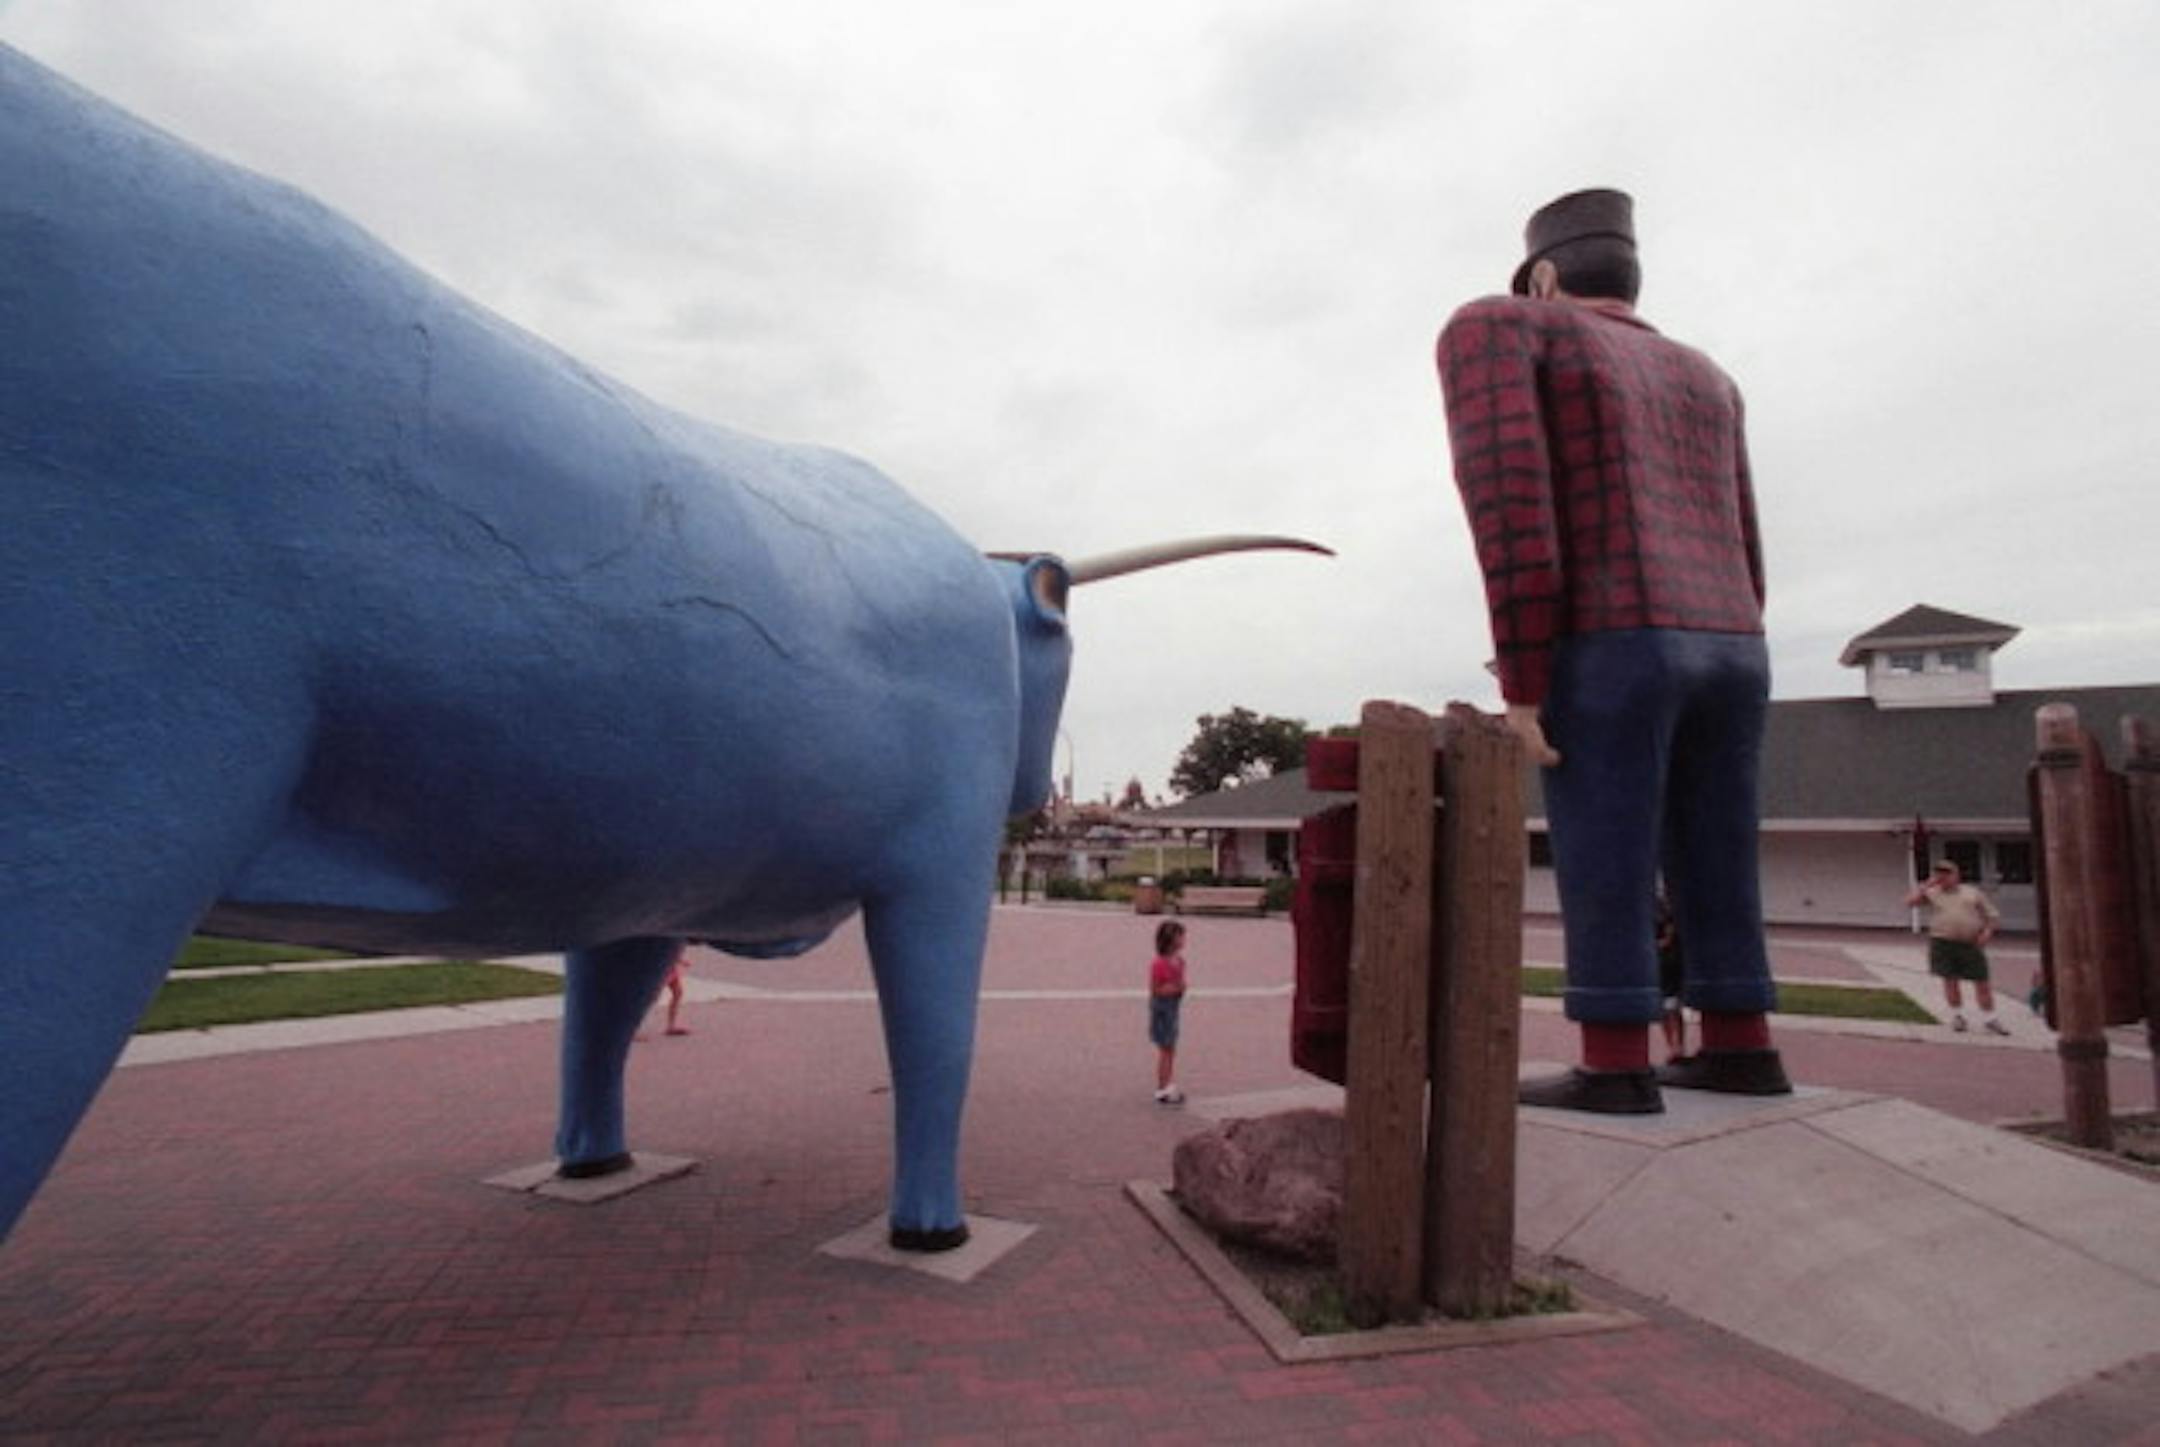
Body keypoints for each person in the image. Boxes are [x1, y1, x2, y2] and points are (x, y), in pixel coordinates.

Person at [1437, 188, 1791, 1114]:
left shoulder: (1501, 328)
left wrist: (1523, 676)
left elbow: (1513, 507)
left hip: (1613, 631)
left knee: (1604, 846)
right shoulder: (1709, 374)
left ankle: (1615, 1055)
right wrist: (1744, 635)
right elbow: (1748, 536)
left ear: (1545, 275)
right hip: (1733, 639)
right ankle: (1741, 1042)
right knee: (1719, 849)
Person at [1904, 861, 2007, 1035]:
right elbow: (1909, 902)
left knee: (1981, 981)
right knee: (1950, 980)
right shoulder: (1932, 893)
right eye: (1939, 873)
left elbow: (1992, 915)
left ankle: (1990, 1018)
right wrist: (1926, 885)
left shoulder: (1971, 892)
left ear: (1956, 875)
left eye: (1947, 873)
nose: (1943, 877)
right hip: (1943, 942)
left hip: (1970, 942)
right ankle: (1957, 1016)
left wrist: (1987, 933)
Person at [1149, 920, 1188, 1104]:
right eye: (1180, 936)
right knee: (1166, 1049)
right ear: (1171, 940)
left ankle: (1167, 1083)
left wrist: (1180, 988)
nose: (1183, 940)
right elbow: (1155, 990)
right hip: (1162, 1009)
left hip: (1173, 1008)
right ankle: (1162, 1087)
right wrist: (1175, 989)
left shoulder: (1180, 962)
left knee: (1171, 1049)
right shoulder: (1159, 964)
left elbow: (1179, 984)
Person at [1656, 893, 1689, 1062]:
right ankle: (1675, 1046)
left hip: (1670, 964)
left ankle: (1676, 1046)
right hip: (1665, 964)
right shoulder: (1660, 910)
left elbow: (1666, 940)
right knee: (1668, 1008)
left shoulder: (1668, 915)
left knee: (1671, 1007)